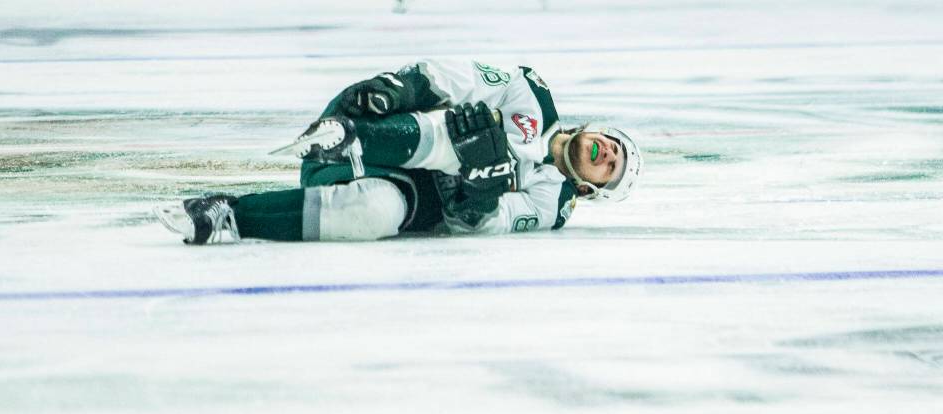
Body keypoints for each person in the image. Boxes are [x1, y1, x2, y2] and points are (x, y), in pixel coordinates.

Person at [154, 59, 642, 245]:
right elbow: (456, 77)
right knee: (470, 132)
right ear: (599, 130)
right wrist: (398, 87)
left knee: (374, 214)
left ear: (589, 188)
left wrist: (475, 194)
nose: (607, 154)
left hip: (387, 189)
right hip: (362, 120)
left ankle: (227, 217)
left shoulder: (549, 206)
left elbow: (485, 224)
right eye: (613, 146)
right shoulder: (532, 93)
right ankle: (352, 141)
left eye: (610, 169)